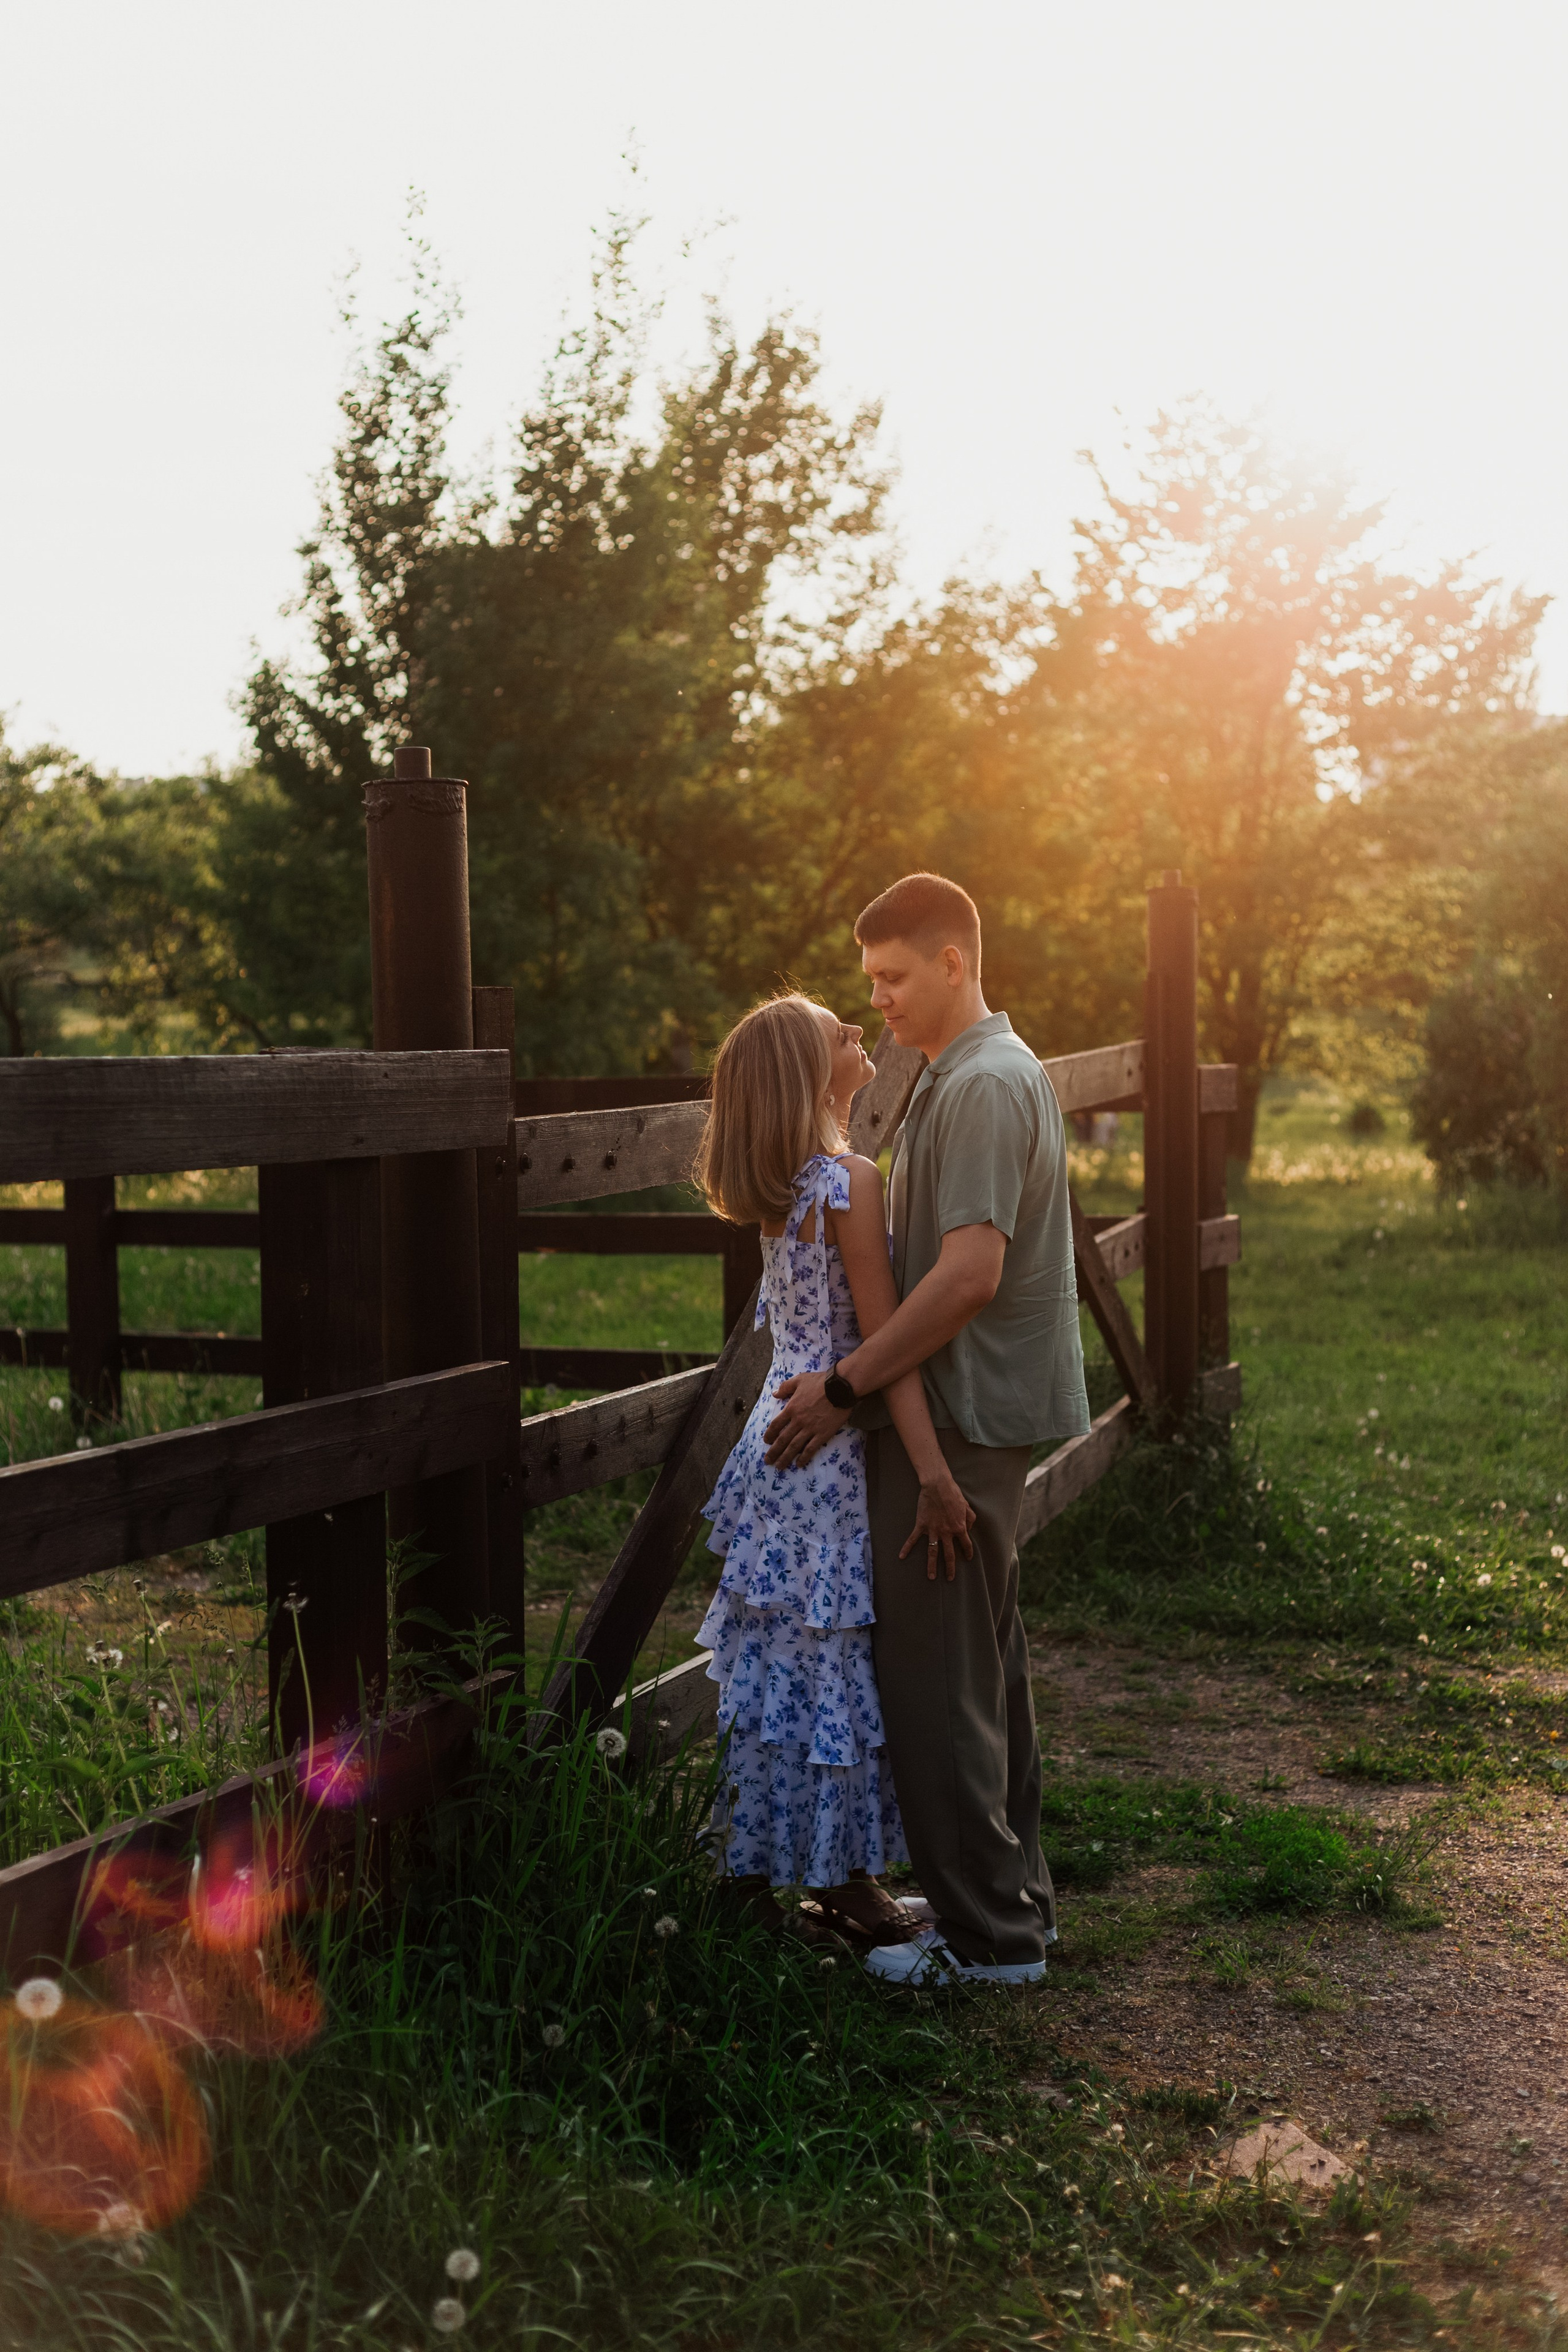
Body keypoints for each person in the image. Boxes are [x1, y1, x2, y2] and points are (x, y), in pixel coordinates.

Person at [763, 873, 1091, 1986]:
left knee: (938, 1682)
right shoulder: (968, 1073)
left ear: (954, 962)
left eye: (894, 977)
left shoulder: (986, 1084)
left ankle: (988, 1944)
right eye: (871, 981)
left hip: (956, 1415)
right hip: (963, 1410)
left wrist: (844, 1386)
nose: (880, 1000)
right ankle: (1011, 1904)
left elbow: (966, 1276)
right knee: (982, 1670)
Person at [693, 992, 975, 1942]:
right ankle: (844, 1884)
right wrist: (933, 1473)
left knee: (778, 1669)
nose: (860, 1033)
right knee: (835, 1669)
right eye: (839, 1035)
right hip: (829, 1452)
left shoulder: (787, 1188)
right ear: (811, 1078)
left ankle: (751, 1872)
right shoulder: (849, 1181)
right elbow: (887, 1346)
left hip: (776, 1445)